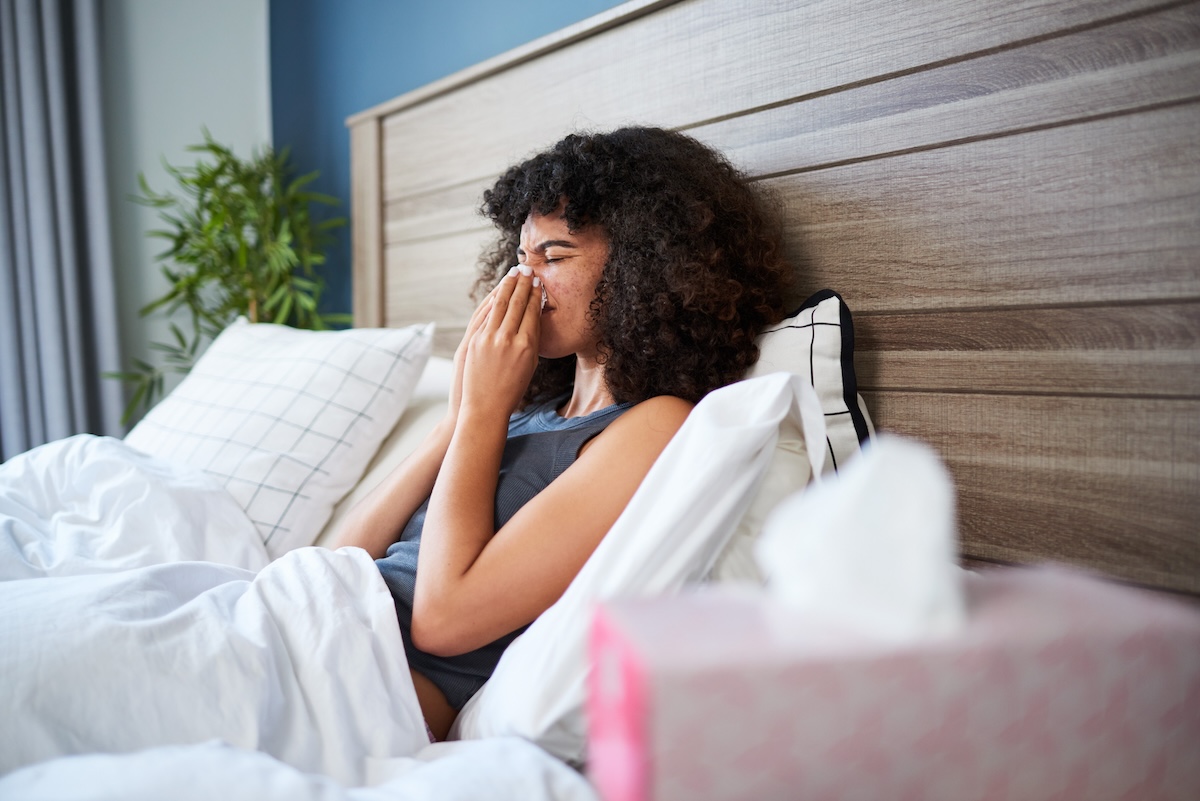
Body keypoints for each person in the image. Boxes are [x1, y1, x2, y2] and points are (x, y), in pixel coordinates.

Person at [331, 126, 790, 740]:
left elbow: (443, 621)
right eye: (521, 258)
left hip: (358, 683)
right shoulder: (518, 412)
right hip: (315, 621)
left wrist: (481, 417)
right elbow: (334, 563)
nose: (522, 282)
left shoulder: (652, 425)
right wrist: (459, 415)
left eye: (554, 256)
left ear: (642, 268)